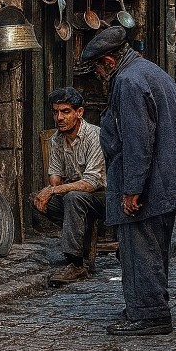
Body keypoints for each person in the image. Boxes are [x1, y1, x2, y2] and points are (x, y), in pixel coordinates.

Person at [81, 26, 176, 336]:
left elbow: (138, 141)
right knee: (151, 248)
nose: (97, 75)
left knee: (140, 248)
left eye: (97, 67)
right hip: (164, 180)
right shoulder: (148, 71)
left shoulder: (128, 81)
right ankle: (145, 305)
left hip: (150, 183)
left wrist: (132, 190)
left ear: (109, 60)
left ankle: (150, 315)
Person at [31, 87, 106, 285]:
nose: (59, 118)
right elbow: (55, 177)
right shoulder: (57, 139)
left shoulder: (95, 136)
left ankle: (76, 264)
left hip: (103, 196)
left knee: (73, 198)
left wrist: (55, 190)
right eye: (56, 112)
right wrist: (52, 190)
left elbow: (92, 183)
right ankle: (80, 232)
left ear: (79, 113)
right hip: (76, 195)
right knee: (38, 199)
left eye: (65, 112)